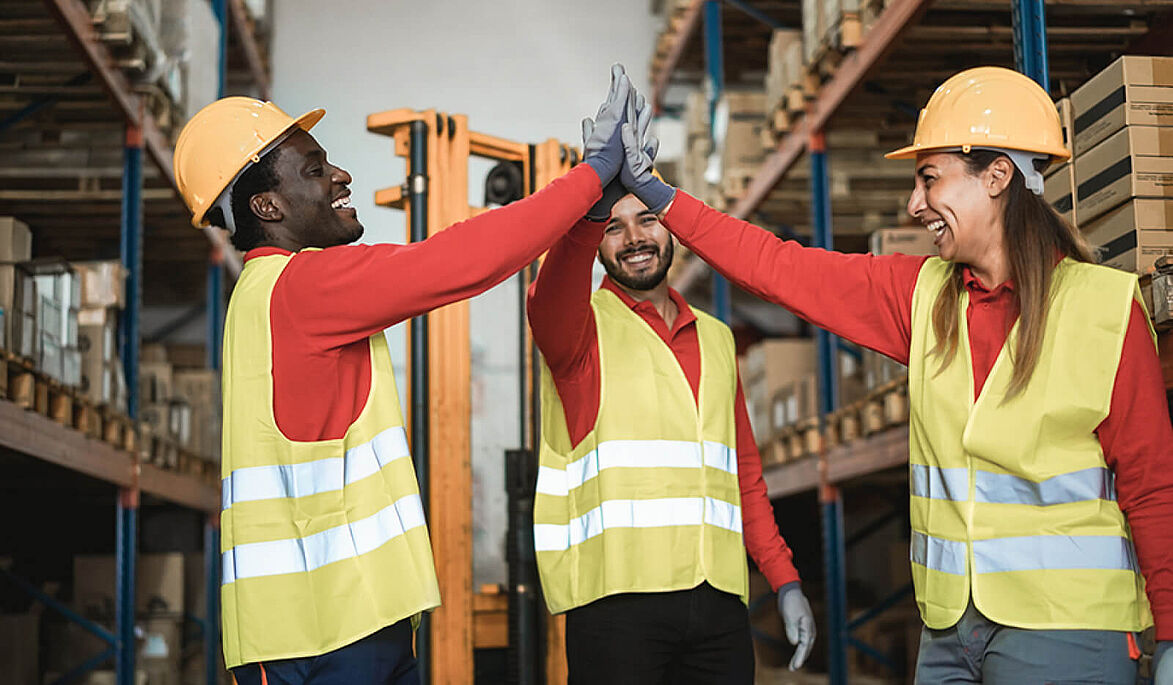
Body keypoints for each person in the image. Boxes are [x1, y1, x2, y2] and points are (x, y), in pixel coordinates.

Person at [614, 66, 1173, 684]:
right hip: (949, 635)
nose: (915, 205)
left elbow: (1153, 487)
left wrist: (1172, 635)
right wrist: (664, 200)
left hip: (1067, 632)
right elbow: (778, 267)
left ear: (997, 176)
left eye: (929, 179)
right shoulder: (921, 296)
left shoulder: (1105, 308)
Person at [171, 64, 635, 684]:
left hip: (352, 621)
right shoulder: (300, 288)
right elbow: (461, 261)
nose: (341, 176)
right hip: (321, 636)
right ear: (267, 205)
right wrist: (590, 177)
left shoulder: (273, 294)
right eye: (314, 170)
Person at [527, 92, 816, 685]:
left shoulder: (715, 337)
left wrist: (783, 578)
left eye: (647, 219)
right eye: (613, 227)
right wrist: (587, 204)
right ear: (598, 242)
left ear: (670, 226)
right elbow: (549, 292)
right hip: (615, 606)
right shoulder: (578, 333)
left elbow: (743, 473)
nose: (633, 238)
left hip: (716, 601)